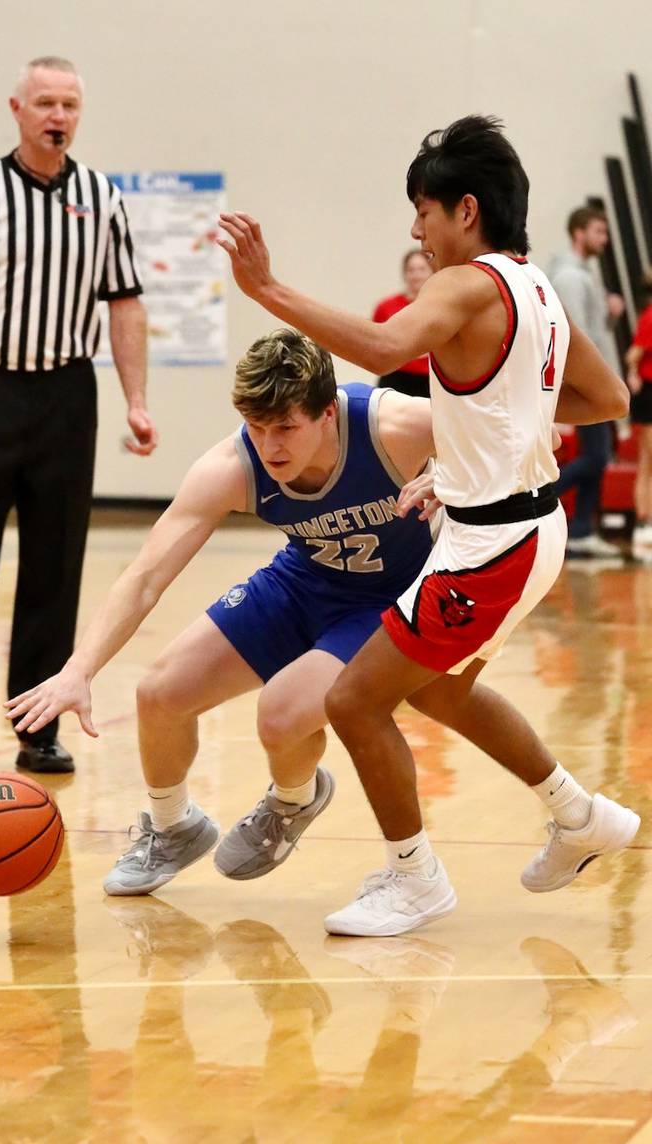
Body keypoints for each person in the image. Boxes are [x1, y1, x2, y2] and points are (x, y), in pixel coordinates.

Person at [217, 114, 638, 937]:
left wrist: (268, 292)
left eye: (424, 210)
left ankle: (414, 878)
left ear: (466, 209)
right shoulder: (536, 286)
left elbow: (380, 349)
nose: (417, 229)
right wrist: (499, 440)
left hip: (495, 547)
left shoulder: (465, 283)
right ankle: (577, 814)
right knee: (440, 689)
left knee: (354, 702)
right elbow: (610, 398)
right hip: (519, 528)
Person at [6, 328, 437, 893]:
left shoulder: (394, 427)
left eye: (286, 427)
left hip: (390, 598)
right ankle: (173, 827)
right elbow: (143, 578)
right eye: (257, 428)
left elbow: (528, 427)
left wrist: (454, 473)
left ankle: (292, 801)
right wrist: (79, 670)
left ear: (328, 413)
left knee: (280, 714)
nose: (271, 446)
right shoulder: (233, 466)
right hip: (304, 580)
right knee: (159, 693)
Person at [0, 56, 158, 778]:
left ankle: (38, 729)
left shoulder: (103, 198)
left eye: (70, 104)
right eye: (45, 102)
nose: (59, 116)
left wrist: (137, 401)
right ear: (16, 108)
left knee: (55, 570)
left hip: (67, 398)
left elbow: (126, 302)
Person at [548, 207, 625, 557]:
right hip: (589, 385)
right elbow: (574, 338)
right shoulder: (571, 277)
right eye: (599, 231)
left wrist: (609, 316)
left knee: (600, 456)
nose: (604, 240)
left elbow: (590, 331)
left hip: (598, 383)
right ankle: (536, 498)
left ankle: (580, 530)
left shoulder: (585, 275)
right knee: (595, 457)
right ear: (578, 233)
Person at [372, 248, 432, 395]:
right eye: (411, 270)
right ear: (404, 274)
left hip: (429, 379)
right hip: (395, 378)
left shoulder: (439, 308)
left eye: (421, 269)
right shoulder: (386, 307)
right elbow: (377, 342)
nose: (416, 275)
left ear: (431, 271)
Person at [626, 273, 652, 555]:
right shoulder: (650, 316)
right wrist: (633, 375)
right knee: (649, 461)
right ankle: (645, 523)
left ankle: (644, 523)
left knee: (647, 462)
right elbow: (633, 354)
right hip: (649, 394)